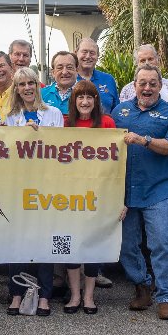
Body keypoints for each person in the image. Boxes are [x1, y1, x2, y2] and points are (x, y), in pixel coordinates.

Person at [112, 65, 168, 320]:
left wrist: (145, 140)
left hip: (157, 189)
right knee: (126, 245)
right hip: (125, 192)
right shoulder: (120, 112)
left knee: (162, 244)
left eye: (152, 83)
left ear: (160, 86)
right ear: (134, 85)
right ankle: (142, 285)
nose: (147, 88)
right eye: (142, 83)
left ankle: (166, 296)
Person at [1, 68, 62, 316]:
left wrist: (39, 136)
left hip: (46, 186)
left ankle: (45, 295)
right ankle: (16, 294)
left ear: (38, 85)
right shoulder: (10, 116)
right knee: (18, 242)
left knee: (43, 241)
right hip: (18, 186)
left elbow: (62, 150)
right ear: (16, 88)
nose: (27, 88)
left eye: (31, 83)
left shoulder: (54, 113)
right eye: (21, 84)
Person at [63, 80, 114, 314]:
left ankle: (89, 296)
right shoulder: (65, 125)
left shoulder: (107, 123)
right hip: (69, 196)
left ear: (96, 101)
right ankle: (74, 295)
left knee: (92, 245)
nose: (85, 102)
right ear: (74, 101)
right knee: (72, 246)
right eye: (80, 97)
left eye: (89, 97)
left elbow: (116, 165)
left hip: (99, 195)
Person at [73, 38, 119, 109]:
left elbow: (116, 110)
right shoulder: (69, 80)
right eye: (84, 52)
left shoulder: (108, 79)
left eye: (92, 53)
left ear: (98, 56)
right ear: (76, 53)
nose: (88, 56)